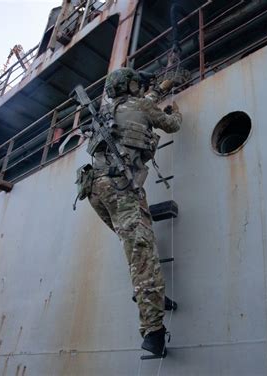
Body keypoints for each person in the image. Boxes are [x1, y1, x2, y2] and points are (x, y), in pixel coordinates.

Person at [76, 67, 182, 357]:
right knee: (143, 256)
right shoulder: (142, 105)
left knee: (135, 248)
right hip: (122, 188)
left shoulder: (111, 109)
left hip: (95, 190)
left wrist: (159, 88)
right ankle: (153, 332)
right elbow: (171, 124)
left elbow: (141, 102)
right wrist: (178, 110)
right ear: (132, 85)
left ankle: (150, 295)